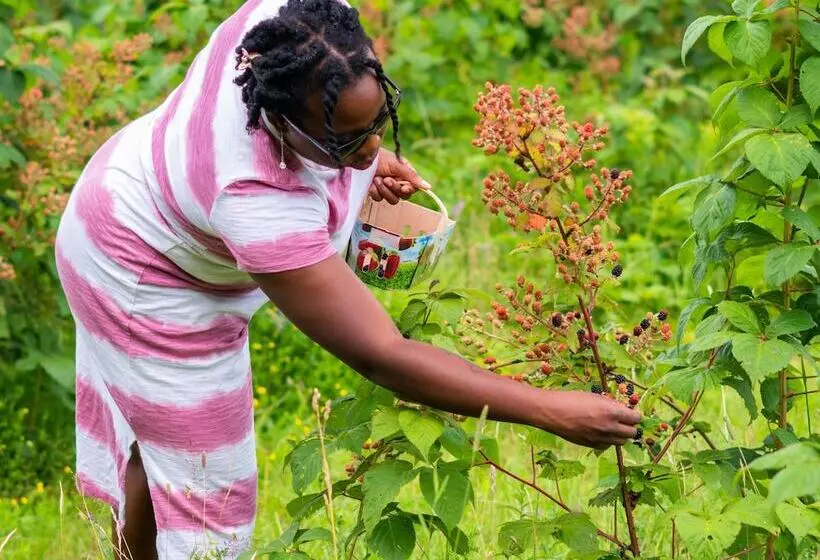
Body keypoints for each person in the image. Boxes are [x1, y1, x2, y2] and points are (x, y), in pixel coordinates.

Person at [54, 0, 641, 558]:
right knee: (212, 498)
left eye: (378, 120)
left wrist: (358, 153)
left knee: (167, 445)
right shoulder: (253, 197)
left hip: (145, 181)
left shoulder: (293, 24)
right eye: (344, 142)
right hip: (139, 273)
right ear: (279, 121)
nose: (372, 148)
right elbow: (383, 355)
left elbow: (339, 118)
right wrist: (548, 409)